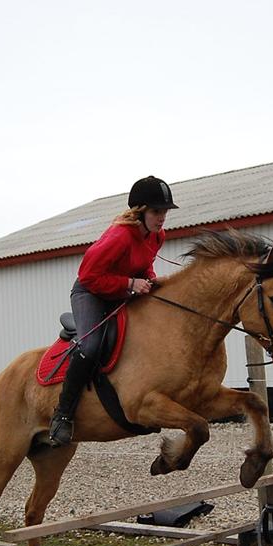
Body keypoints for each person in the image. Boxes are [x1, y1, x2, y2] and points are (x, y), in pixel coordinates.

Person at [47, 175, 178, 446]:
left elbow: (145, 266)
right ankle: (63, 414)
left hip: (120, 289)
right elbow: (88, 276)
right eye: (157, 211)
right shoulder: (119, 237)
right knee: (92, 345)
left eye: (165, 211)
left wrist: (149, 280)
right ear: (140, 211)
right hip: (90, 292)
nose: (162, 217)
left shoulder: (157, 236)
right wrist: (131, 283)